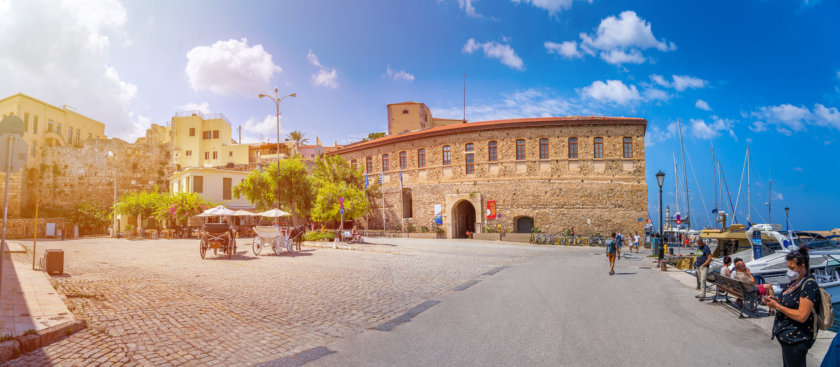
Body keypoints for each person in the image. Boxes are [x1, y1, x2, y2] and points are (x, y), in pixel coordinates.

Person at [764, 245, 820, 367]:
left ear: (802, 266)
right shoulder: (795, 282)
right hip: (788, 339)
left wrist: (778, 306)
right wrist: (776, 300)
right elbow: (792, 302)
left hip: (797, 339)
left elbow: (802, 316)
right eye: (788, 267)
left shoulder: (809, 285)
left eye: (792, 267)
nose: (789, 270)